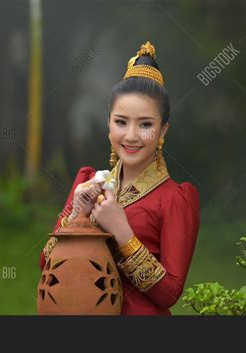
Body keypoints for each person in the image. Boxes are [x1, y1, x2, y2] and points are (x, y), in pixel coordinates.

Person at [38, 41, 200, 315]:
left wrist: (122, 231)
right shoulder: (87, 183)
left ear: (163, 131)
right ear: (108, 124)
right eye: (121, 122)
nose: (131, 136)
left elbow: (170, 293)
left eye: (146, 124)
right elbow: (47, 265)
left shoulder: (175, 199)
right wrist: (77, 214)